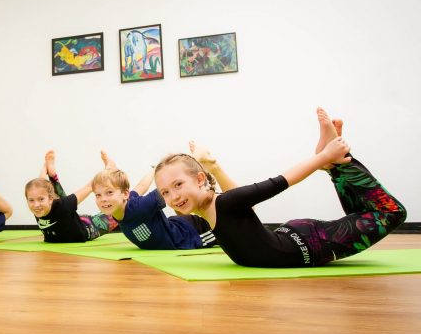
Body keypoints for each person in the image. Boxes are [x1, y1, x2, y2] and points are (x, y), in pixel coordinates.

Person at [153, 107, 407, 267]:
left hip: (312, 244)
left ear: (199, 180)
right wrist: (213, 167)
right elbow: (242, 201)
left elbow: (282, 181)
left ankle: (334, 161)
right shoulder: (215, 207)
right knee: (365, 215)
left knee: (392, 213)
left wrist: (322, 157)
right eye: (165, 192)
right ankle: (334, 165)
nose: (173, 196)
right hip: (293, 238)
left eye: (178, 185)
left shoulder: (223, 203)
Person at [91, 150, 217, 250]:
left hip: (190, 233)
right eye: (98, 195)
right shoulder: (120, 207)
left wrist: (190, 159)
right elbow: (141, 186)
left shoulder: (139, 207)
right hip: (176, 223)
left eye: (109, 193)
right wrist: (154, 169)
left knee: (222, 234)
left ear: (125, 194)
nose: (103, 199)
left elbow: (168, 190)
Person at [25, 150, 119, 243]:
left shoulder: (62, 206)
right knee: (48, 195)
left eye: (41, 199)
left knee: (118, 212)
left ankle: (111, 168)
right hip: (67, 218)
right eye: (31, 200)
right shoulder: (38, 207)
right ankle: (52, 176)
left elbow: (90, 186)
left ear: (50, 199)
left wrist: (108, 169)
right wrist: (45, 167)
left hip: (87, 226)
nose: (36, 204)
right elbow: (41, 185)